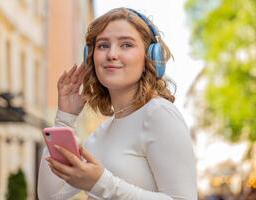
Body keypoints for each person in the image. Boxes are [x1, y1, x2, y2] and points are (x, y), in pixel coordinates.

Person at [38, 7, 197, 200]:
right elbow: (51, 196)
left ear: (150, 57)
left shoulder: (159, 114)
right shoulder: (101, 133)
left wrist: (100, 184)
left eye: (126, 45)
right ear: (91, 56)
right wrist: (64, 120)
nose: (112, 54)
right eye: (103, 45)